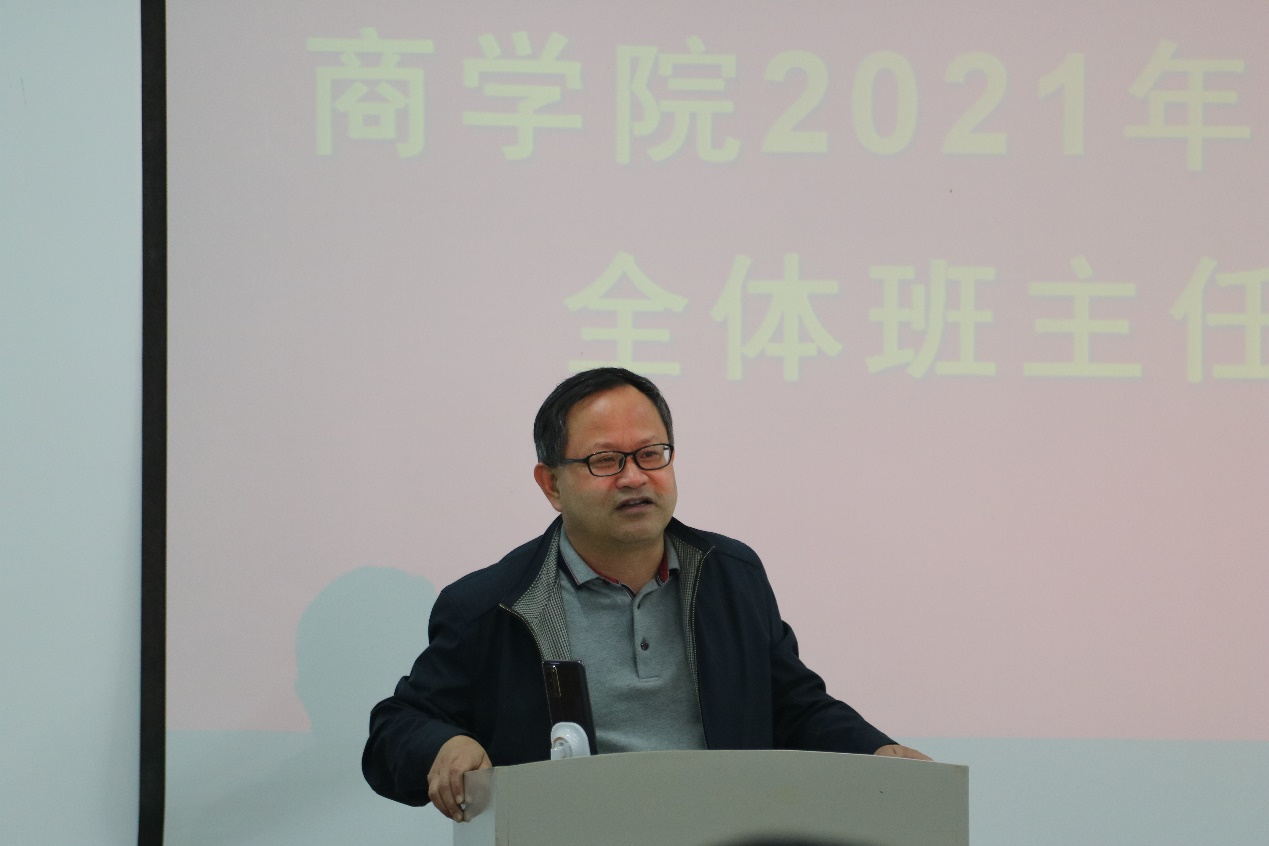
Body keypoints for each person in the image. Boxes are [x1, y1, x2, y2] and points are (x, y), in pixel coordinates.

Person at [362, 368, 930, 820]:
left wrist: (878, 753)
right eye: (605, 461)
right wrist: (441, 745)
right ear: (551, 484)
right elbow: (396, 727)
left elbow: (793, 706)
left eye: (651, 454)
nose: (634, 477)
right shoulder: (495, 605)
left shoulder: (730, 575)